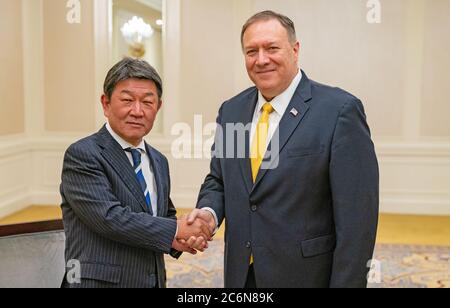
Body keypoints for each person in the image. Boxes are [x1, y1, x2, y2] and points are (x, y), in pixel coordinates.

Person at [187, 11, 379, 288]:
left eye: (272, 48)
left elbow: (357, 221)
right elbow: (219, 179)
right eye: (252, 51)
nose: (261, 59)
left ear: (295, 49)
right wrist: (208, 213)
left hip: (306, 277)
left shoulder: (339, 111)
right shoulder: (231, 111)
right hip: (242, 274)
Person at [60, 58, 211, 288]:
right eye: (127, 100)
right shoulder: (83, 154)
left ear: (158, 107)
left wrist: (179, 238)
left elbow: (162, 216)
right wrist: (177, 228)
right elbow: (110, 218)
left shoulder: (158, 161)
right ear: (106, 103)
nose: (138, 111)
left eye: (147, 102)